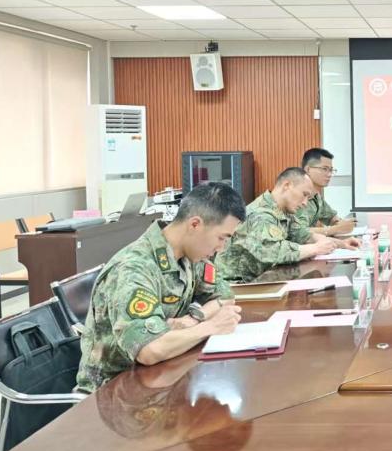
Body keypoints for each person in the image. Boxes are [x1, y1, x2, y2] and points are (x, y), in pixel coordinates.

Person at [77, 182, 246, 393]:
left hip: (162, 378)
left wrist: (194, 319)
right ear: (195, 224)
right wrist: (210, 327)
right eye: (221, 238)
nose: (221, 248)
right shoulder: (134, 268)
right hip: (113, 392)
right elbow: (150, 350)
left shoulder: (191, 255)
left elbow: (225, 298)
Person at [216, 167, 358, 282]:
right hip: (237, 286)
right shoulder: (261, 214)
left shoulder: (284, 211)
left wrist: (341, 244)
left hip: (261, 280)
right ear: (287, 186)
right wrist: (315, 249)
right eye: (304, 195)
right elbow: (273, 251)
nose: (305, 203)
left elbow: (303, 235)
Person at [295, 147, 355, 237]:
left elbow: (331, 218)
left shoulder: (316, 196)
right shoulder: (296, 196)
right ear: (308, 170)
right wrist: (335, 229)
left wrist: (342, 224)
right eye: (324, 169)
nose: (329, 174)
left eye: (331, 170)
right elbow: (298, 232)